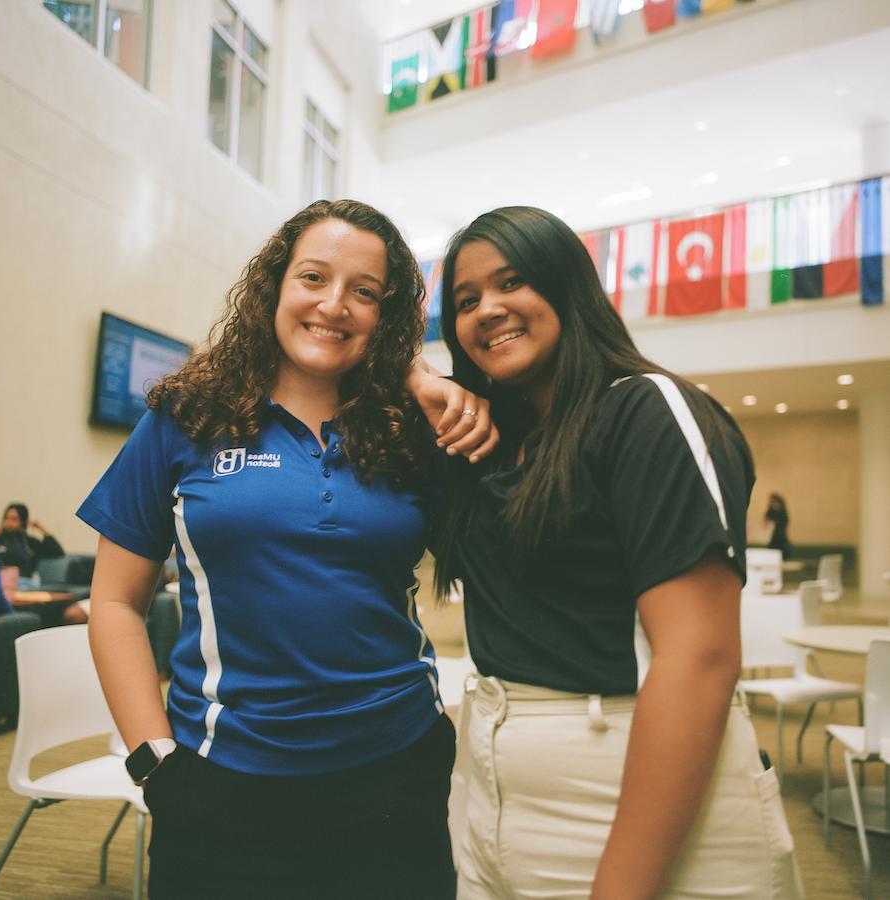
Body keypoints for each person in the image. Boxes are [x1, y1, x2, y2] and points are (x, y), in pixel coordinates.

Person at [77, 199, 495, 900]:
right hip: (222, 788)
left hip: (396, 776)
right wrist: (156, 763)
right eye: (313, 278)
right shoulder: (185, 419)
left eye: (365, 292)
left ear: (385, 317)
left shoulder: (409, 429)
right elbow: (115, 602)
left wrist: (422, 379)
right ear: (275, 286)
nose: (335, 305)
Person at [429, 206, 804, 899]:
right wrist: (427, 382)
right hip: (490, 803)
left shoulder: (646, 410)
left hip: (630, 803)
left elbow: (699, 660)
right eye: (465, 299)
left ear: (568, 287)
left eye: (513, 282)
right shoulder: (491, 447)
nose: (488, 309)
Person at [0, 502, 65, 586]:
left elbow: (57, 551)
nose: (9, 522)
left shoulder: (29, 542)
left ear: (23, 521)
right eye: (6, 518)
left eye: (14, 519)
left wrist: (41, 528)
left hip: (22, 582)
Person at [765, 492, 791, 557]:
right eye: (771, 502)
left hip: (781, 538)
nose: (773, 504)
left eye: (774, 502)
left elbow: (785, 528)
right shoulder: (770, 512)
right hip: (772, 539)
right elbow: (765, 524)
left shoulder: (783, 514)